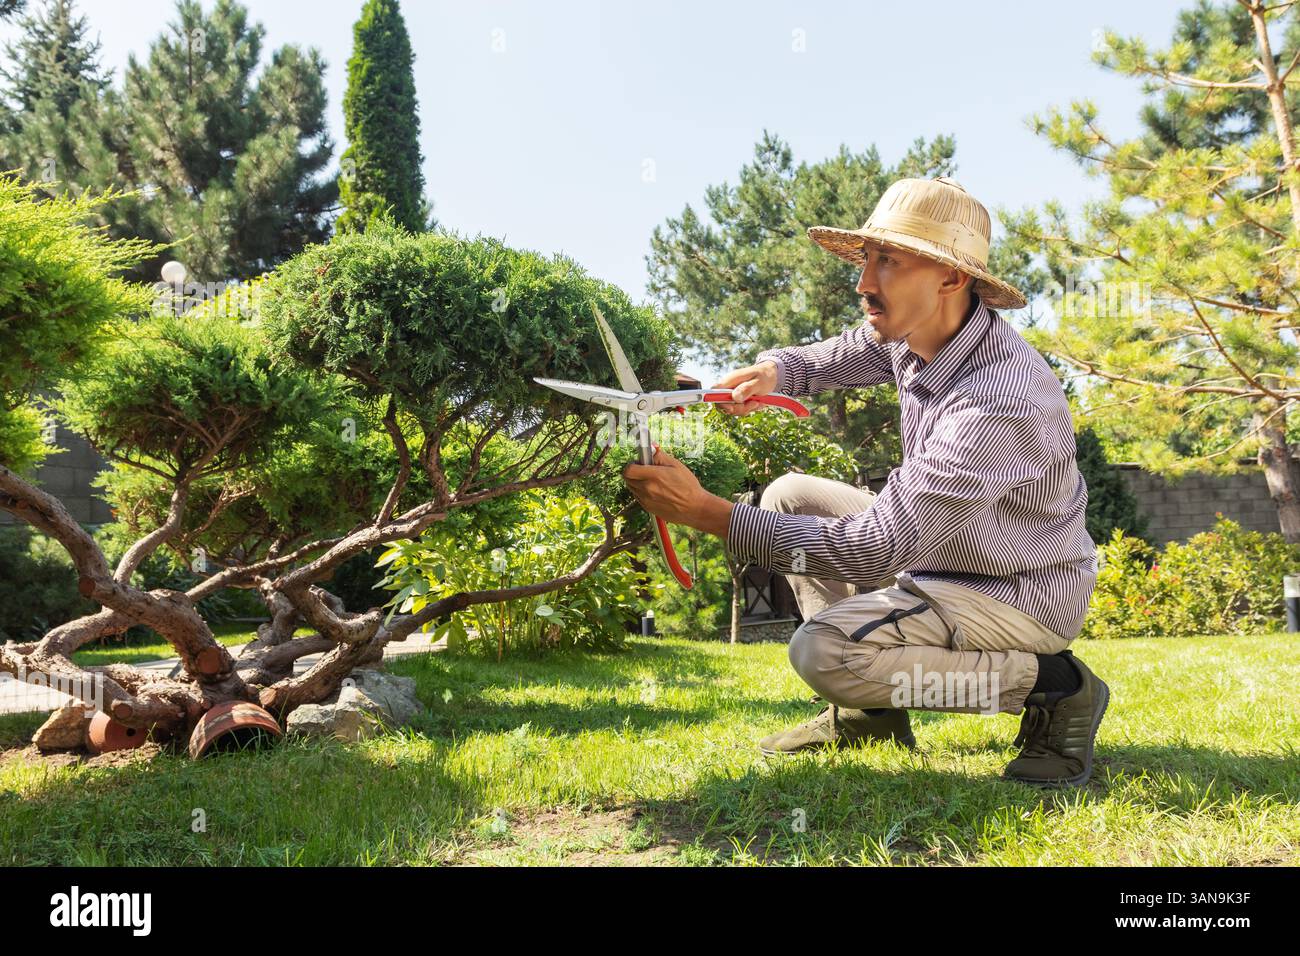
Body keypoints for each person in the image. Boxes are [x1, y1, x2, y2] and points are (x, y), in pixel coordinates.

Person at [621, 176, 1108, 787]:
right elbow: (850, 352)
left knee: (823, 652)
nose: (863, 284)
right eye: (867, 259)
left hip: (1017, 592)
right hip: (944, 553)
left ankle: (1055, 688)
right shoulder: (921, 337)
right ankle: (870, 714)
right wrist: (777, 371)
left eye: (888, 263)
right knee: (790, 495)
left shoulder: (999, 400)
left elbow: (876, 546)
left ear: (950, 278)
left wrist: (709, 514)